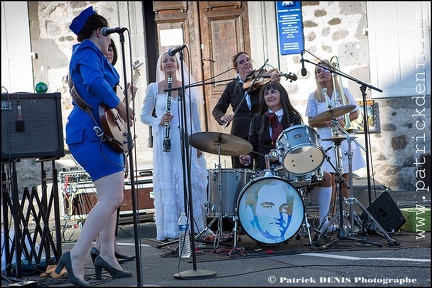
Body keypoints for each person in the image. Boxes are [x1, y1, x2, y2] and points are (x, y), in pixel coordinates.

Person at [55, 7, 133, 286]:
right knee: (111, 198)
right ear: (100, 32)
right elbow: (95, 82)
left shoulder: (94, 54)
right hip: (90, 133)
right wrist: (120, 105)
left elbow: (103, 84)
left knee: (112, 198)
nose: (109, 45)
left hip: (104, 132)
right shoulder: (87, 51)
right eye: (107, 39)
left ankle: (108, 255)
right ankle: (76, 256)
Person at [239, 81, 333, 229]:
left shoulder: (294, 118)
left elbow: (302, 147)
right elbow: (252, 147)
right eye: (266, 93)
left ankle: (323, 223)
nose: (270, 95)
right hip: (266, 169)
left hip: (291, 167)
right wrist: (247, 157)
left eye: (273, 92)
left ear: (281, 95)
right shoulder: (257, 119)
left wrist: (282, 157)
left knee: (326, 177)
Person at [140, 51, 208, 241]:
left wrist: (199, 143)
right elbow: (144, 116)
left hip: (187, 140)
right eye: (165, 60)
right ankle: (172, 230)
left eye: (172, 60)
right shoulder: (154, 88)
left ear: (178, 65)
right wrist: (159, 121)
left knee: (189, 181)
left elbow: (195, 118)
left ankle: (194, 228)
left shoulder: (188, 88)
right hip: (166, 142)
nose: (169, 62)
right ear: (161, 66)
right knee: (170, 179)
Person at [91, 38, 135, 264]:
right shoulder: (98, 74)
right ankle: (100, 246)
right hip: (101, 136)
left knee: (113, 197)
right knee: (109, 197)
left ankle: (107, 245)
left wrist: (127, 99)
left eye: (111, 51)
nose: (108, 53)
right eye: (106, 50)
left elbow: (117, 113)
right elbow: (110, 110)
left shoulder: (112, 75)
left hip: (114, 134)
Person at [305, 60, 366, 215]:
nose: (321, 73)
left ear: (332, 73)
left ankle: (346, 216)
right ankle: (330, 217)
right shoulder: (313, 96)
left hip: (342, 137)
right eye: (318, 71)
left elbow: (355, 112)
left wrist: (342, 121)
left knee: (345, 178)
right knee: (330, 178)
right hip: (325, 140)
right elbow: (311, 121)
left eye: (325, 69)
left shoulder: (343, 91)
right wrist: (327, 122)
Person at [212, 52, 279, 169]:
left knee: (264, 169)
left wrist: (275, 84)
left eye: (248, 60)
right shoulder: (231, 87)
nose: (246, 63)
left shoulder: (262, 83)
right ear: (236, 68)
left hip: (261, 132)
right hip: (239, 135)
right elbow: (217, 109)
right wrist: (222, 117)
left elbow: (275, 101)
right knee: (242, 174)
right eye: (242, 62)